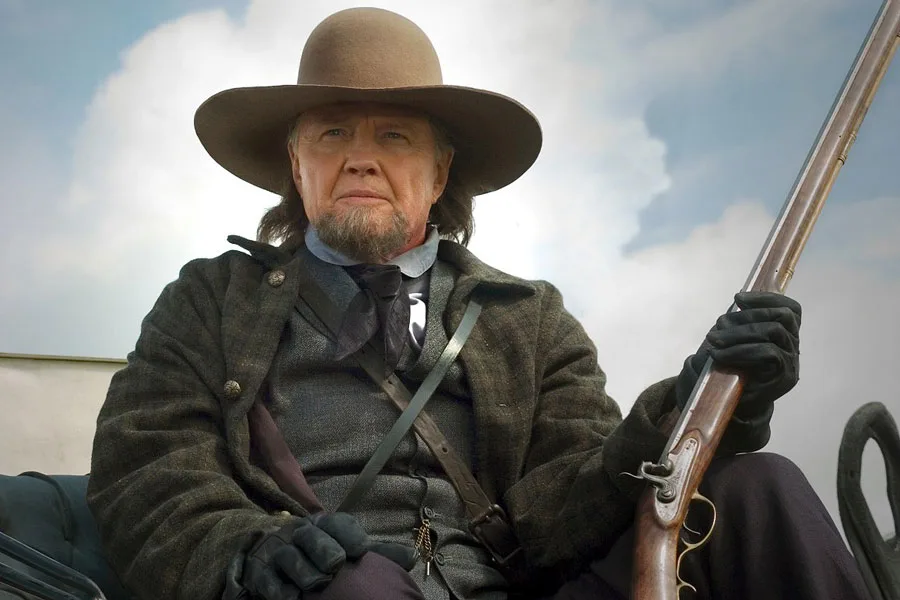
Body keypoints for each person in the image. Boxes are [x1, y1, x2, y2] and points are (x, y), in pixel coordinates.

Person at [85, 7, 870, 600]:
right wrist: (251, 549)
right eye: (332, 134)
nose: (360, 158)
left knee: (761, 490)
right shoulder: (208, 303)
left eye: (394, 136)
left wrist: (697, 397)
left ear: (439, 172)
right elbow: (147, 476)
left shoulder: (529, 319)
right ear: (297, 164)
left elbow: (582, 492)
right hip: (335, 592)